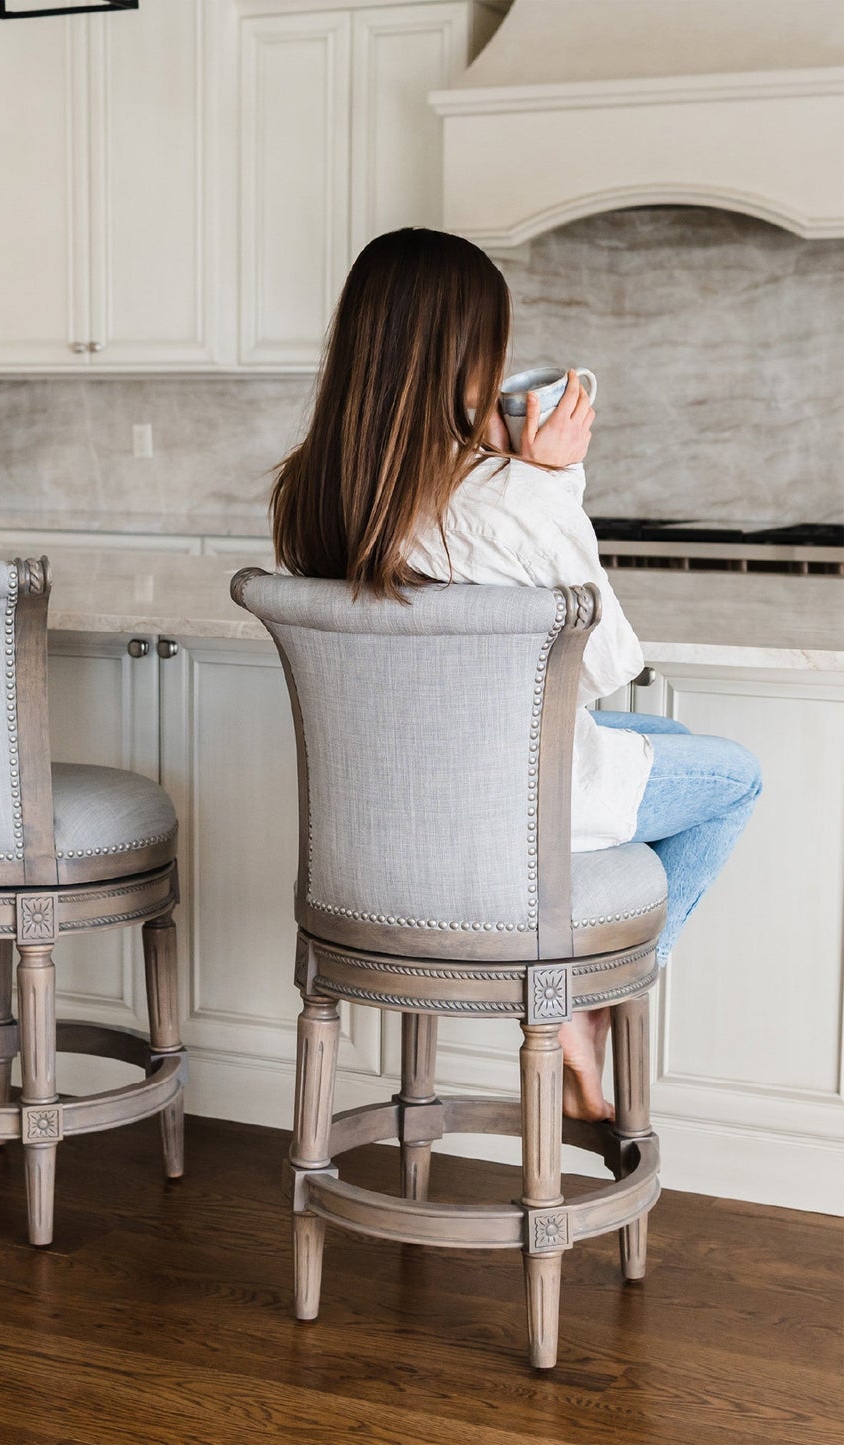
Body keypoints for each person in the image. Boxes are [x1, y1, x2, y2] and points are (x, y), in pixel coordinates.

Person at [270, 227, 761, 1122]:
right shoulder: (506, 497)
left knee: (673, 745)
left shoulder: (315, 487)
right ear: (466, 355)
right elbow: (608, 663)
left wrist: (509, 468)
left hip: (385, 821)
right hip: (517, 811)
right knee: (733, 778)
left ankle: (576, 1002)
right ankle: (580, 1003)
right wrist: (550, 481)